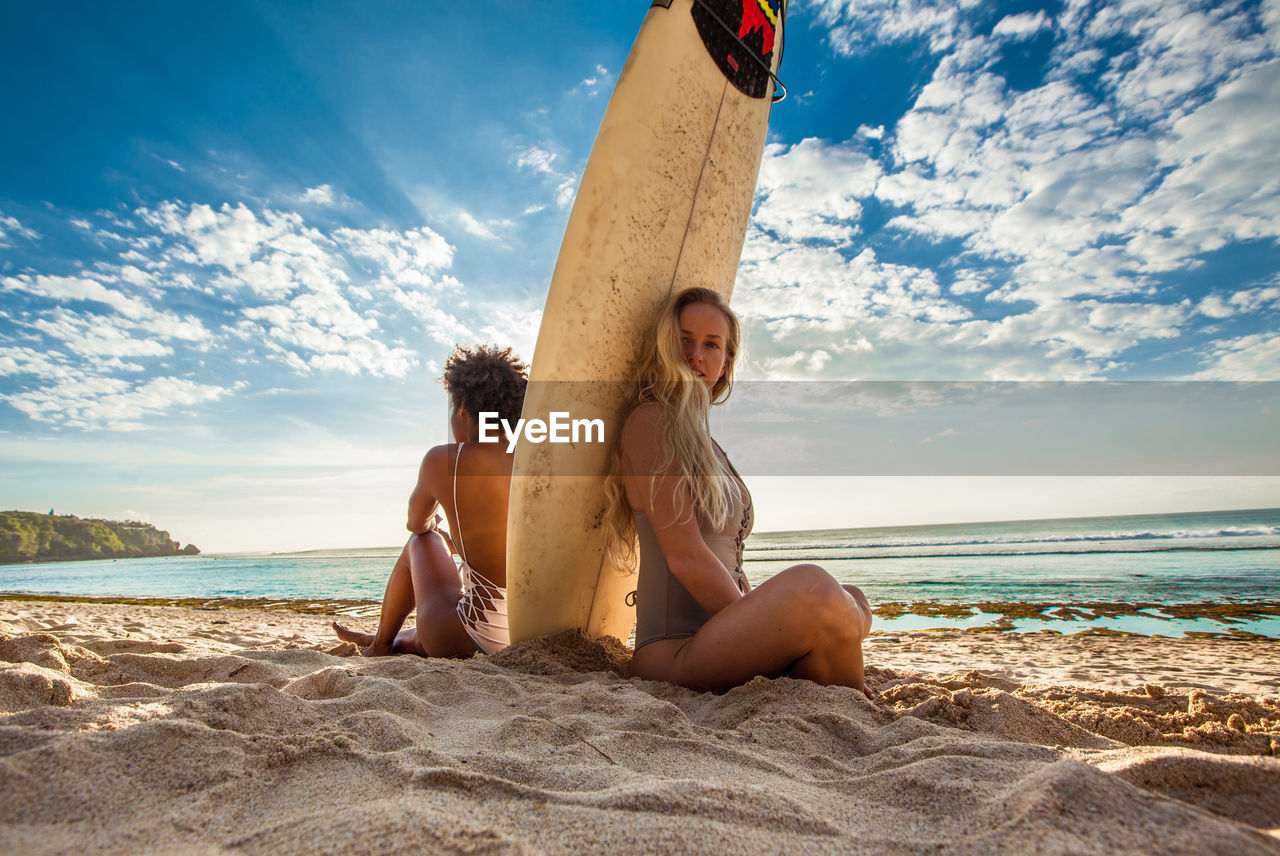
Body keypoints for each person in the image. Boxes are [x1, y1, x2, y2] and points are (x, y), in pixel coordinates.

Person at [604, 287, 875, 697]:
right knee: (815, 587)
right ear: (664, 349)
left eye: (712, 345)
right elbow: (686, 557)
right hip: (675, 651)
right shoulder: (651, 422)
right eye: (684, 341)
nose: (697, 355)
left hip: (723, 638)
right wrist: (762, 630)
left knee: (852, 597)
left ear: (726, 361)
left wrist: (762, 629)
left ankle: (843, 694)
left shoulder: (707, 443)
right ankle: (853, 701)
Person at [333, 344, 528, 658]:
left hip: (473, 638)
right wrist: (463, 543)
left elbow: (416, 523)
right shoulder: (540, 458)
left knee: (421, 541)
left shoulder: (445, 460)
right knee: (433, 626)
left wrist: (437, 525)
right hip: (531, 638)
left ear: (462, 409)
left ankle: (381, 644)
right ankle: (387, 638)